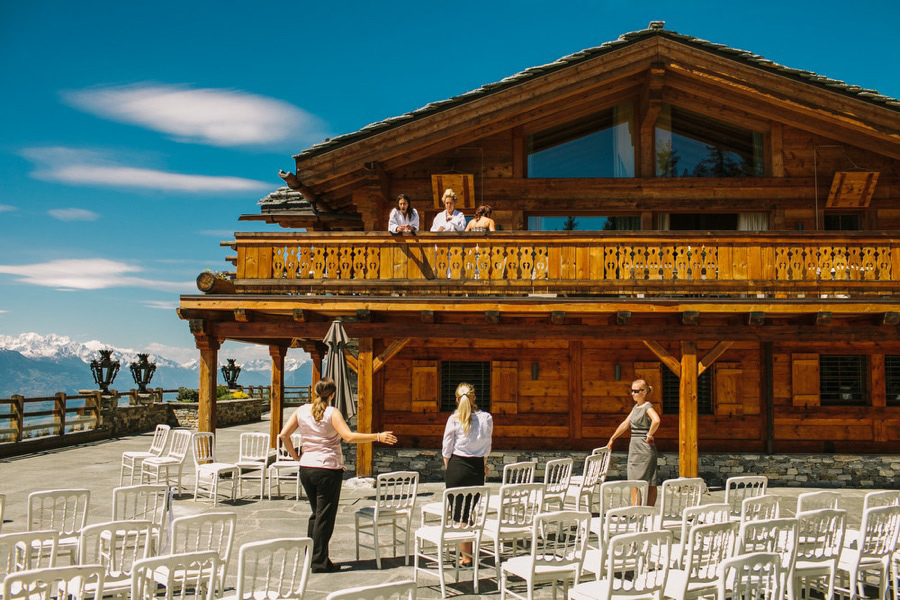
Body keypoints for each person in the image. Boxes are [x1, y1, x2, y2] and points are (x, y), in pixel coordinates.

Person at [278, 377, 397, 573]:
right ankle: (319, 562)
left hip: (306, 468)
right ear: (332, 394)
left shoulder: (300, 411)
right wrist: (377, 436)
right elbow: (348, 437)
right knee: (325, 516)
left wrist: (296, 457)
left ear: (315, 392)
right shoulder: (332, 413)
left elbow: (283, 435)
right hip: (327, 469)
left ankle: (313, 557)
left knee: (316, 514)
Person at [441, 381, 493, 566]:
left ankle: (466, 557)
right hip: (477, 467)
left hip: (457, 465)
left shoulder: (454, 419)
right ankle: (467, 553)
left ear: (457, 399)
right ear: (474, 398)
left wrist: (450, 467)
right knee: (468, 511)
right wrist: (484, 464)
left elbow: (447, 448)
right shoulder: (486, 418)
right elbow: (487, 446)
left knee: (459, 513)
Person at [605, 379, 660, 507]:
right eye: (632, 391)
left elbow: (656, 420)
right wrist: (612, 438)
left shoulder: (647, 406)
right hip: (634, 448)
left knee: (650, 481)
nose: (633, 394)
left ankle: (648, 510)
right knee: (633, 480)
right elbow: (625, 424)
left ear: (644, 392)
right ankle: (636, 510)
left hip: (645, 448)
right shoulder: (636, 408)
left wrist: (649, 434)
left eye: (636, 391)